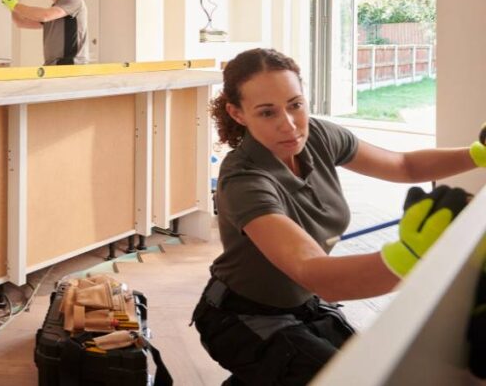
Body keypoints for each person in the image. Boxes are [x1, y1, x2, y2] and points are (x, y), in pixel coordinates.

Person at [192, 48, 481, 385]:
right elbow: (315, 273)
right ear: (237, 113)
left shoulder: (318, 136)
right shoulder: (244, 180)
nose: (289, 125)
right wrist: (413, 256)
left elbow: (404, 165)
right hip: (241, 317)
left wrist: (478, 154)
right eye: (267, 112)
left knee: (361, 372)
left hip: (303, 308)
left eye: (295, 105)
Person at [0, 0, 88, 65]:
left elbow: (44, 15)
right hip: (54, 64)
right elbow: (21, 22)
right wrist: (11, 7)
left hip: (71, 64)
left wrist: (15, 5)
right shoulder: (56, 11)